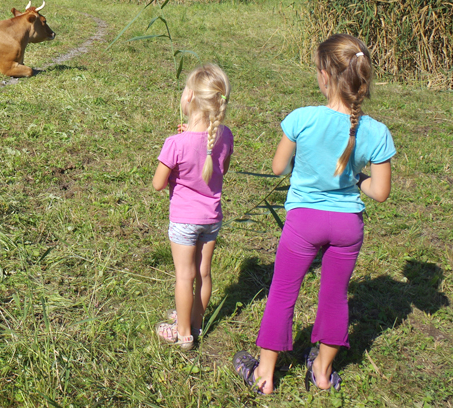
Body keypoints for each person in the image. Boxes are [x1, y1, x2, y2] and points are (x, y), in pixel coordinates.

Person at [233, 34, 395, 394]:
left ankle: (265, 375)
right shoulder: (377, 132)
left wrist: (302, 164)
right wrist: (356, 177)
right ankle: (322, 372)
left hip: (304, 222)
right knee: (335, 297)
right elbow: (379, 192)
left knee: (282, 293)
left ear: (324, 76)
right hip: (347, 226)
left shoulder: (302, 119)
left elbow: (278, 167)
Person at [152, 64, 233, 349]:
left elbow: (158, 183)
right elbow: (219, 167)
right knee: (203, 274)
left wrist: (176, 164)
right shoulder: (225, 137)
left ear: (188, 98)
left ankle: (183, 332)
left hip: (185, 220)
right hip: (211, 219)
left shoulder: (175, 143)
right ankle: (197, 323)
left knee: (184, 277)